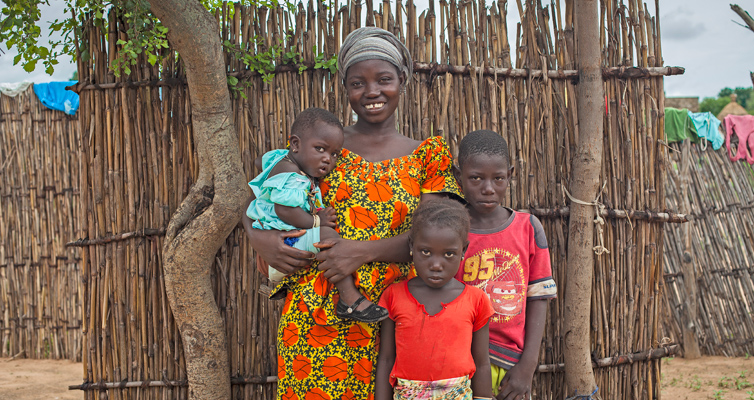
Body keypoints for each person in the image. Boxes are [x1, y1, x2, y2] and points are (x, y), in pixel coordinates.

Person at [242, 26, 461, 400]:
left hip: (400, 317)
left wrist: (360, 252)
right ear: (345, 88)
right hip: (318, 319)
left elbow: (443, 239)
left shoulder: (427, 157)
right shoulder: (322, 148)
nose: (372, 92)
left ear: (403, 80)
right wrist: (258, 237)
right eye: (357, 83)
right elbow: (264, 195)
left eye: (384, 79)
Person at [246, 107, 388, 322]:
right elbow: (284, 210)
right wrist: (317, 221)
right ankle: (349, 299)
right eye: (320, 149)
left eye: (334, 154)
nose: (327, 159)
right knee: (327, 235)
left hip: (278, 246)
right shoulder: (293, 176)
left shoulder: (281, 160)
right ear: (295, 144)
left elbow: (260, 161)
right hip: (279, 250)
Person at [453, 130, 557, 400]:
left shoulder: (528, 228)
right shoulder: (450, 229)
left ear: (510, 175)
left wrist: (528, 365)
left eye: (498, 178)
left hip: (510, 363)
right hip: (458, 359)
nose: (488, 188)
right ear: (458, 176)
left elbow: (539, 298)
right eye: (476, 178)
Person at [375, 198, 495, 400]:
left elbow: (482, 362)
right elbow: (386, 359)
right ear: (412, 246)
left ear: (463, 251)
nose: (436, 265)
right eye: (426, 252)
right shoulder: (394, 295)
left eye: (448, 254)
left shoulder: (476, 300)